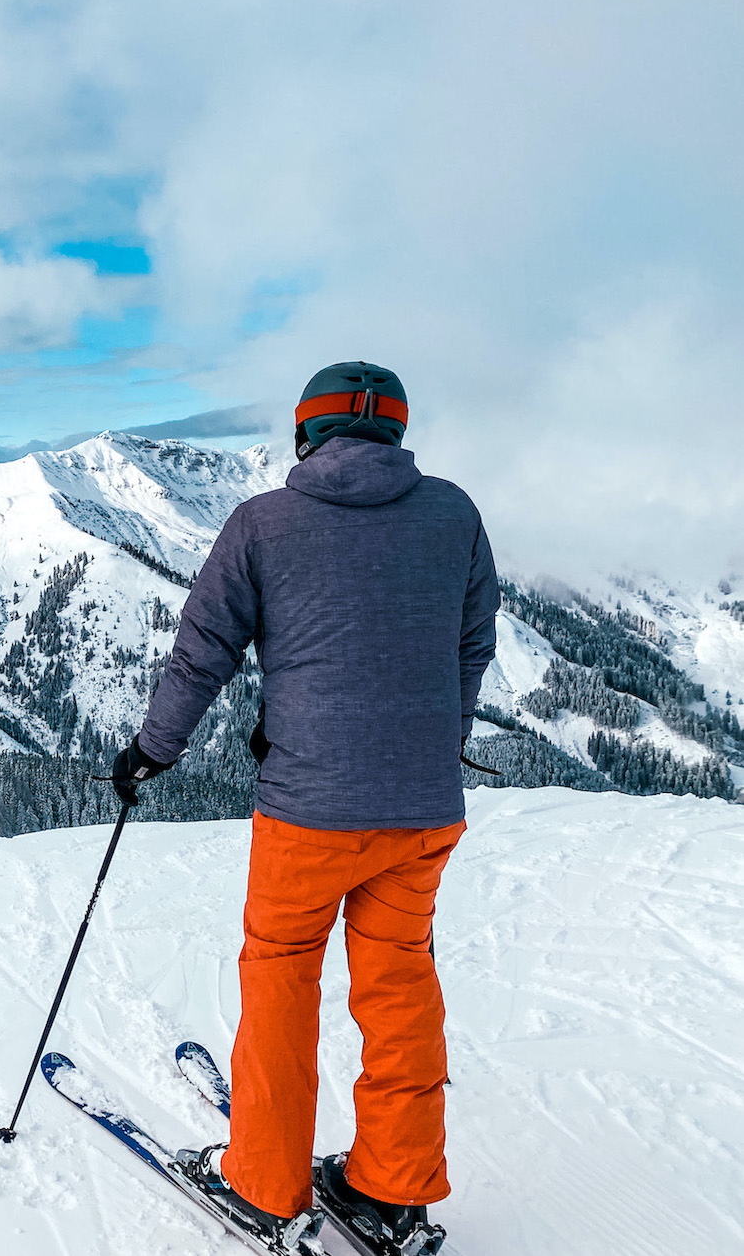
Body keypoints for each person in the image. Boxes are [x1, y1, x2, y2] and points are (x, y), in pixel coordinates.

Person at [112, 360, 499, 1253]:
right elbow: (469, 648)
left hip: (307, 811)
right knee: (399, 985)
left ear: (305, 432)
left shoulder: (263, 523)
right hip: (421, 810)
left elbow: (200, 652)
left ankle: (263, 1182)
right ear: (395, 432)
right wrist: (431, 741)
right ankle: (390, 1193)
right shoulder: (456, 515)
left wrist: (151, 752)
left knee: (282, 977)